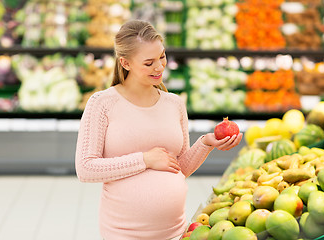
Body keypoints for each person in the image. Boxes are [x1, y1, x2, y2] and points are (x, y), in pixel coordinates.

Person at [75, 19, 243, 240]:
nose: (159, 67)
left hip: (175, 232)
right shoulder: (102, 103)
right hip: (123, 235)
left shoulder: (174, 103)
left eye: (162, 56)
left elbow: (179, 168)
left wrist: (205, 143)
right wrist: (144, 159)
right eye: (149, 63)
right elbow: (86, 169)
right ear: (125, 63)